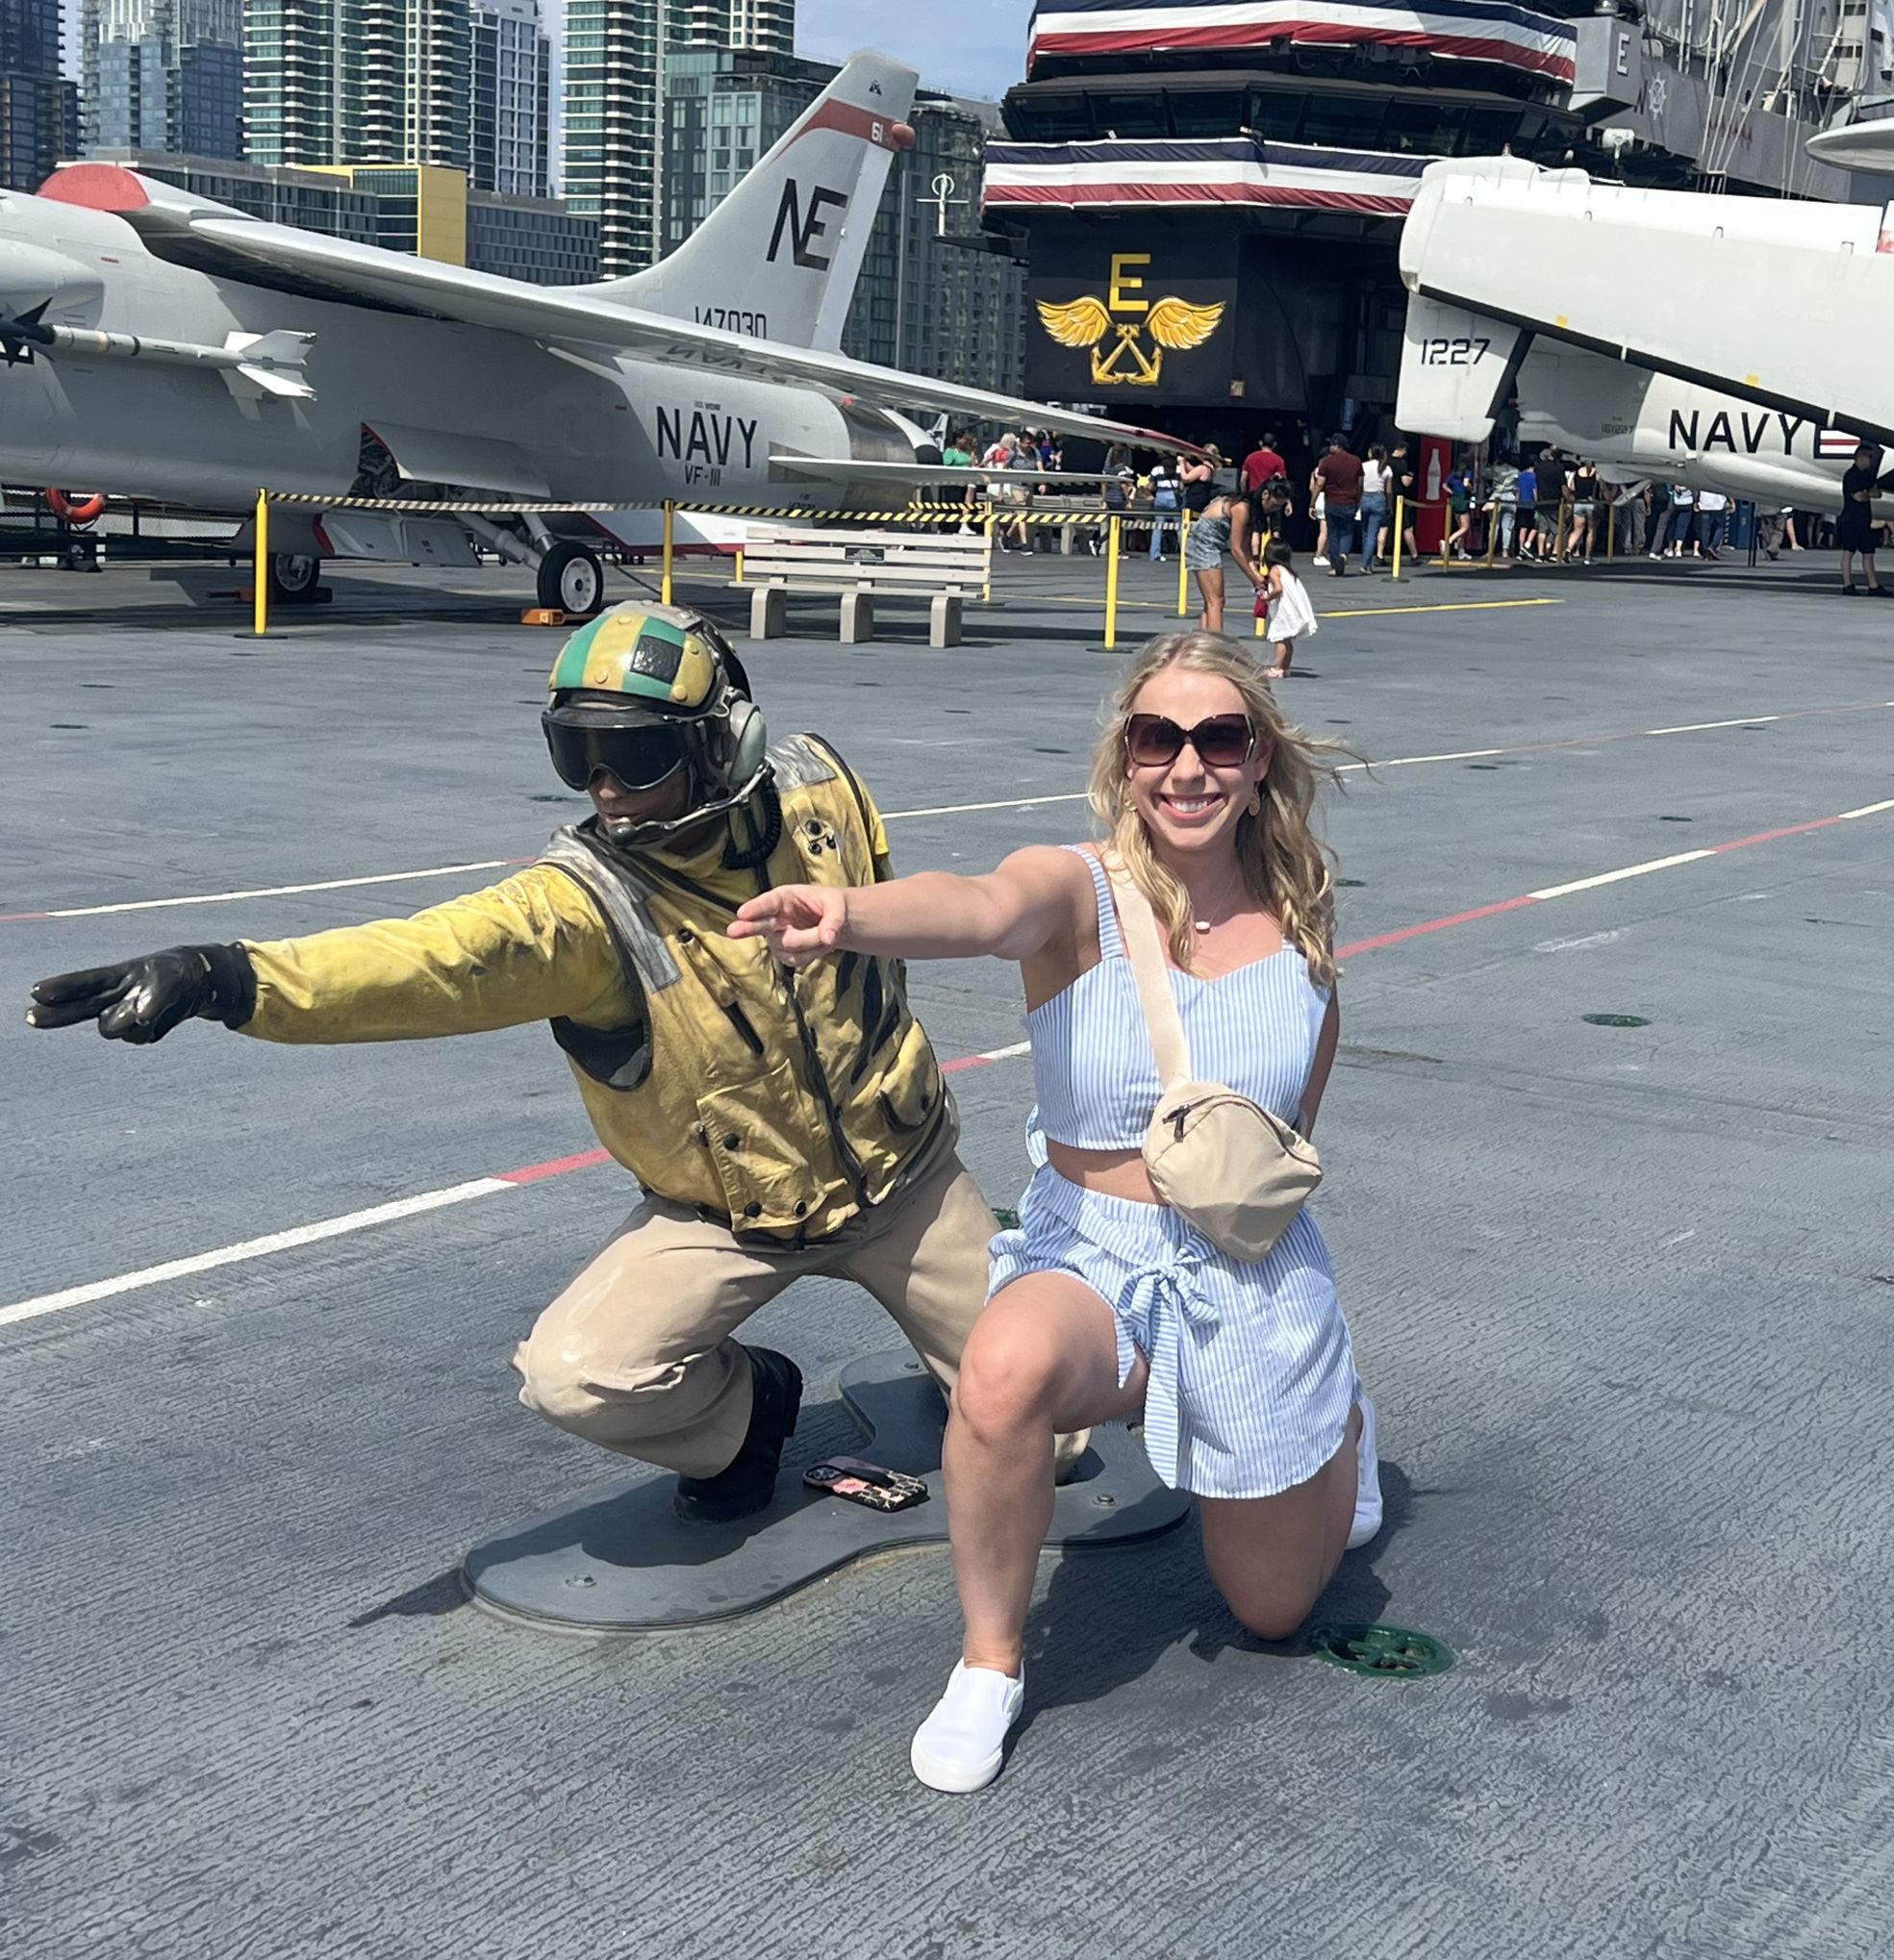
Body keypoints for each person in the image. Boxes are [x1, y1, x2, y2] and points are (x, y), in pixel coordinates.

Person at [25, 607, 1072, 1524]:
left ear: (723, 744)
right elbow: (427, 962)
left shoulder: (824, 792)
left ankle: (976, 1312)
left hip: (904, 1181)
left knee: (1057, 1435)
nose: (605, 788)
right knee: (578, 1376)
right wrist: (227, 977)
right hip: (724, 1214)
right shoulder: (581, 910)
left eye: (635, 756)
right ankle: (747, 1413)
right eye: (577, 756)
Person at [730, 633, 1379, 1793]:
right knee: (999, 1368)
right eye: (1157, 737)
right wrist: (848, 912)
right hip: (1096, 1251)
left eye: (1219, 737)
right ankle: (988, 1661)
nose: (1187, 766)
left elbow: (1289, 1139)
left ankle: (1336, 1421)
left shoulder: (1299, 920)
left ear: (1258, 760)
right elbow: (980, 906)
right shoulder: (1079, 892)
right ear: (1125, 757)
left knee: (1272, 1611)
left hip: (1244, 1267)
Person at [1183, 476, 1267, 632]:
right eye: (1275, 504)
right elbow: (1236, 548)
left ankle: (1205, 640)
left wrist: (1256, 574)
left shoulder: (1250, 510)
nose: (1274, 510)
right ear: (1265, 495)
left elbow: (1246, 547)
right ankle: (1216, 641)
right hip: (1204, 545)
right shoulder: (1241, 508)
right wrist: (1253, 578)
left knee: (1210, 601)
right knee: (1216, 601)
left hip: (1206, 545)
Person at [1837, 444, 1890, 594]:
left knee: (1868, 553)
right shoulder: (1851, 475)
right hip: (1851, 519)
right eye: (1869, 457)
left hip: (1864, 519)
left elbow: (1877, 493)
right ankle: (1847, 585)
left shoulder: (1866, 475)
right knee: (1849, 551)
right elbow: (1858, 497)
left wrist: (1866, 493)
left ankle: (1873, 586)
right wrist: (1868, 493)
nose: (1871, 460)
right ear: (1860, 457)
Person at [1260, 539, 1316, 679]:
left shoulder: (1274, 571)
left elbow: (1278, 589)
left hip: (1283, 610)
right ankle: (1285, 668)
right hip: (1290, 609)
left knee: (1280, 639)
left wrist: (1268, 597)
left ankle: (1277, 668)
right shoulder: (1287, 570)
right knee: (1287, 640)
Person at [1311, 435, 1363, 577]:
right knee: (1347, 532)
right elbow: (1360, 484)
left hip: (1332, 501)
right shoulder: (1356, 461)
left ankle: (1335, 565)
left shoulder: (1327, 462)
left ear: (1336, 445)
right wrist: (1358, 500)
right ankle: (1344, 554)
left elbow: (1319, 484)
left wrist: (1312, 502)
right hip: (1350, 502)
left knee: (1333, 533)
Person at [1001, 432, 1040, 554]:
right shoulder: (1013, 454)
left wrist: (1042, 483)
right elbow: (1004, 470)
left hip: (1029, 488)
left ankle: (1006, 537)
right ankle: (1025, 544)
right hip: (1016, 487)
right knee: (1022, 514)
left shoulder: (1034, 453)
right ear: (1021, 442)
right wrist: (1001, 489)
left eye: (1031, 443)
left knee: (1022, 516)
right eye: (1027, 443)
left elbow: (1040, 468)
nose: (1029, 445)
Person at [1358, 444, 1391, 572]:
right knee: (1372, 533)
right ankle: (1365, 565)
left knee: (1365, 532)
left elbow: (1359, 485)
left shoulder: (1363, 466)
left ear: (1371, 453)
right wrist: (1390, 505)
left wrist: (1358, 499)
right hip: (1378, 498)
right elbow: (1389, 491)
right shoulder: (1386, 468)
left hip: (1365, 496)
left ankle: (1366, 563)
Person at [1531, 447, 1566, 562]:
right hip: (1555, 501)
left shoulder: (1538, 468)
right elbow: (1563, 486)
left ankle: (1541, 554)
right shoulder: (1559, 468)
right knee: (1558, 528)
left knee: (1542, 529)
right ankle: (1554, 553)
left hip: (1541, 501)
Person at [1565, 459, 1602, 564]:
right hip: (1591, 502)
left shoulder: (1576, 473)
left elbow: (1572, 487)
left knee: (1577, 529)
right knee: (1591, 529)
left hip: (1578, 503)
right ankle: (1587, 556)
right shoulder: (1596, 473)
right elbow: (1602, 488)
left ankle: (1568, 550)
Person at [1147, 452, 1180, 561]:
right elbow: (1181, 486)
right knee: (1180, 527)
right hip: (1174, 497)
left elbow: (1151, 487)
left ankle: (1154, 554)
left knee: (1158, 527)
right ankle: (1186, 554)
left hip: (1160, 496)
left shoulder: (1156, 470)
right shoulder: (1178, 469)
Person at [1241, 431, 1287, 496]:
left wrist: (1244, 494)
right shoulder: (1279, 460)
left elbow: (1243, 480)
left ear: (1260, 443)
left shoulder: (1250, 458)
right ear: (1274, 444)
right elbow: (1282, 482)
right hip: (1269, 495)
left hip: (1253, 494)